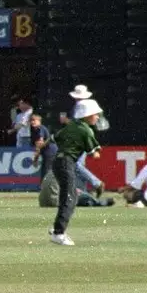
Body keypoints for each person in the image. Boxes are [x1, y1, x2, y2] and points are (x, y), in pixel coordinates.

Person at [48, 98, 103, 245]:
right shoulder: (86, 130)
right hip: (67, 163)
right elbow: (93, 154)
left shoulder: (71, 125)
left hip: (57, 162)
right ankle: (58, 233)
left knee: (66, 196)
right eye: (95, 114)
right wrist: (97, 151)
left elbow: (54, 138)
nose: (97, 117)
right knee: (71, 197)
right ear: (87, 115)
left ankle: (56, 228)